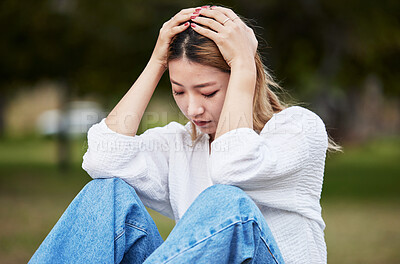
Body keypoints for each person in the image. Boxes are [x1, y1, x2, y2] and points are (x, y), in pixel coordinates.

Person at [29, 5, 338, 264]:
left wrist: (244, 62)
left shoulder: (298, 129)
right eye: (179, 91)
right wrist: (156, 62)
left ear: (244, 79)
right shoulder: (181, 144)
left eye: (208, 92)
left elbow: (231, 167)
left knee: (227, 202)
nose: (193, 109)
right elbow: (101, 159)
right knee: (106, 193)